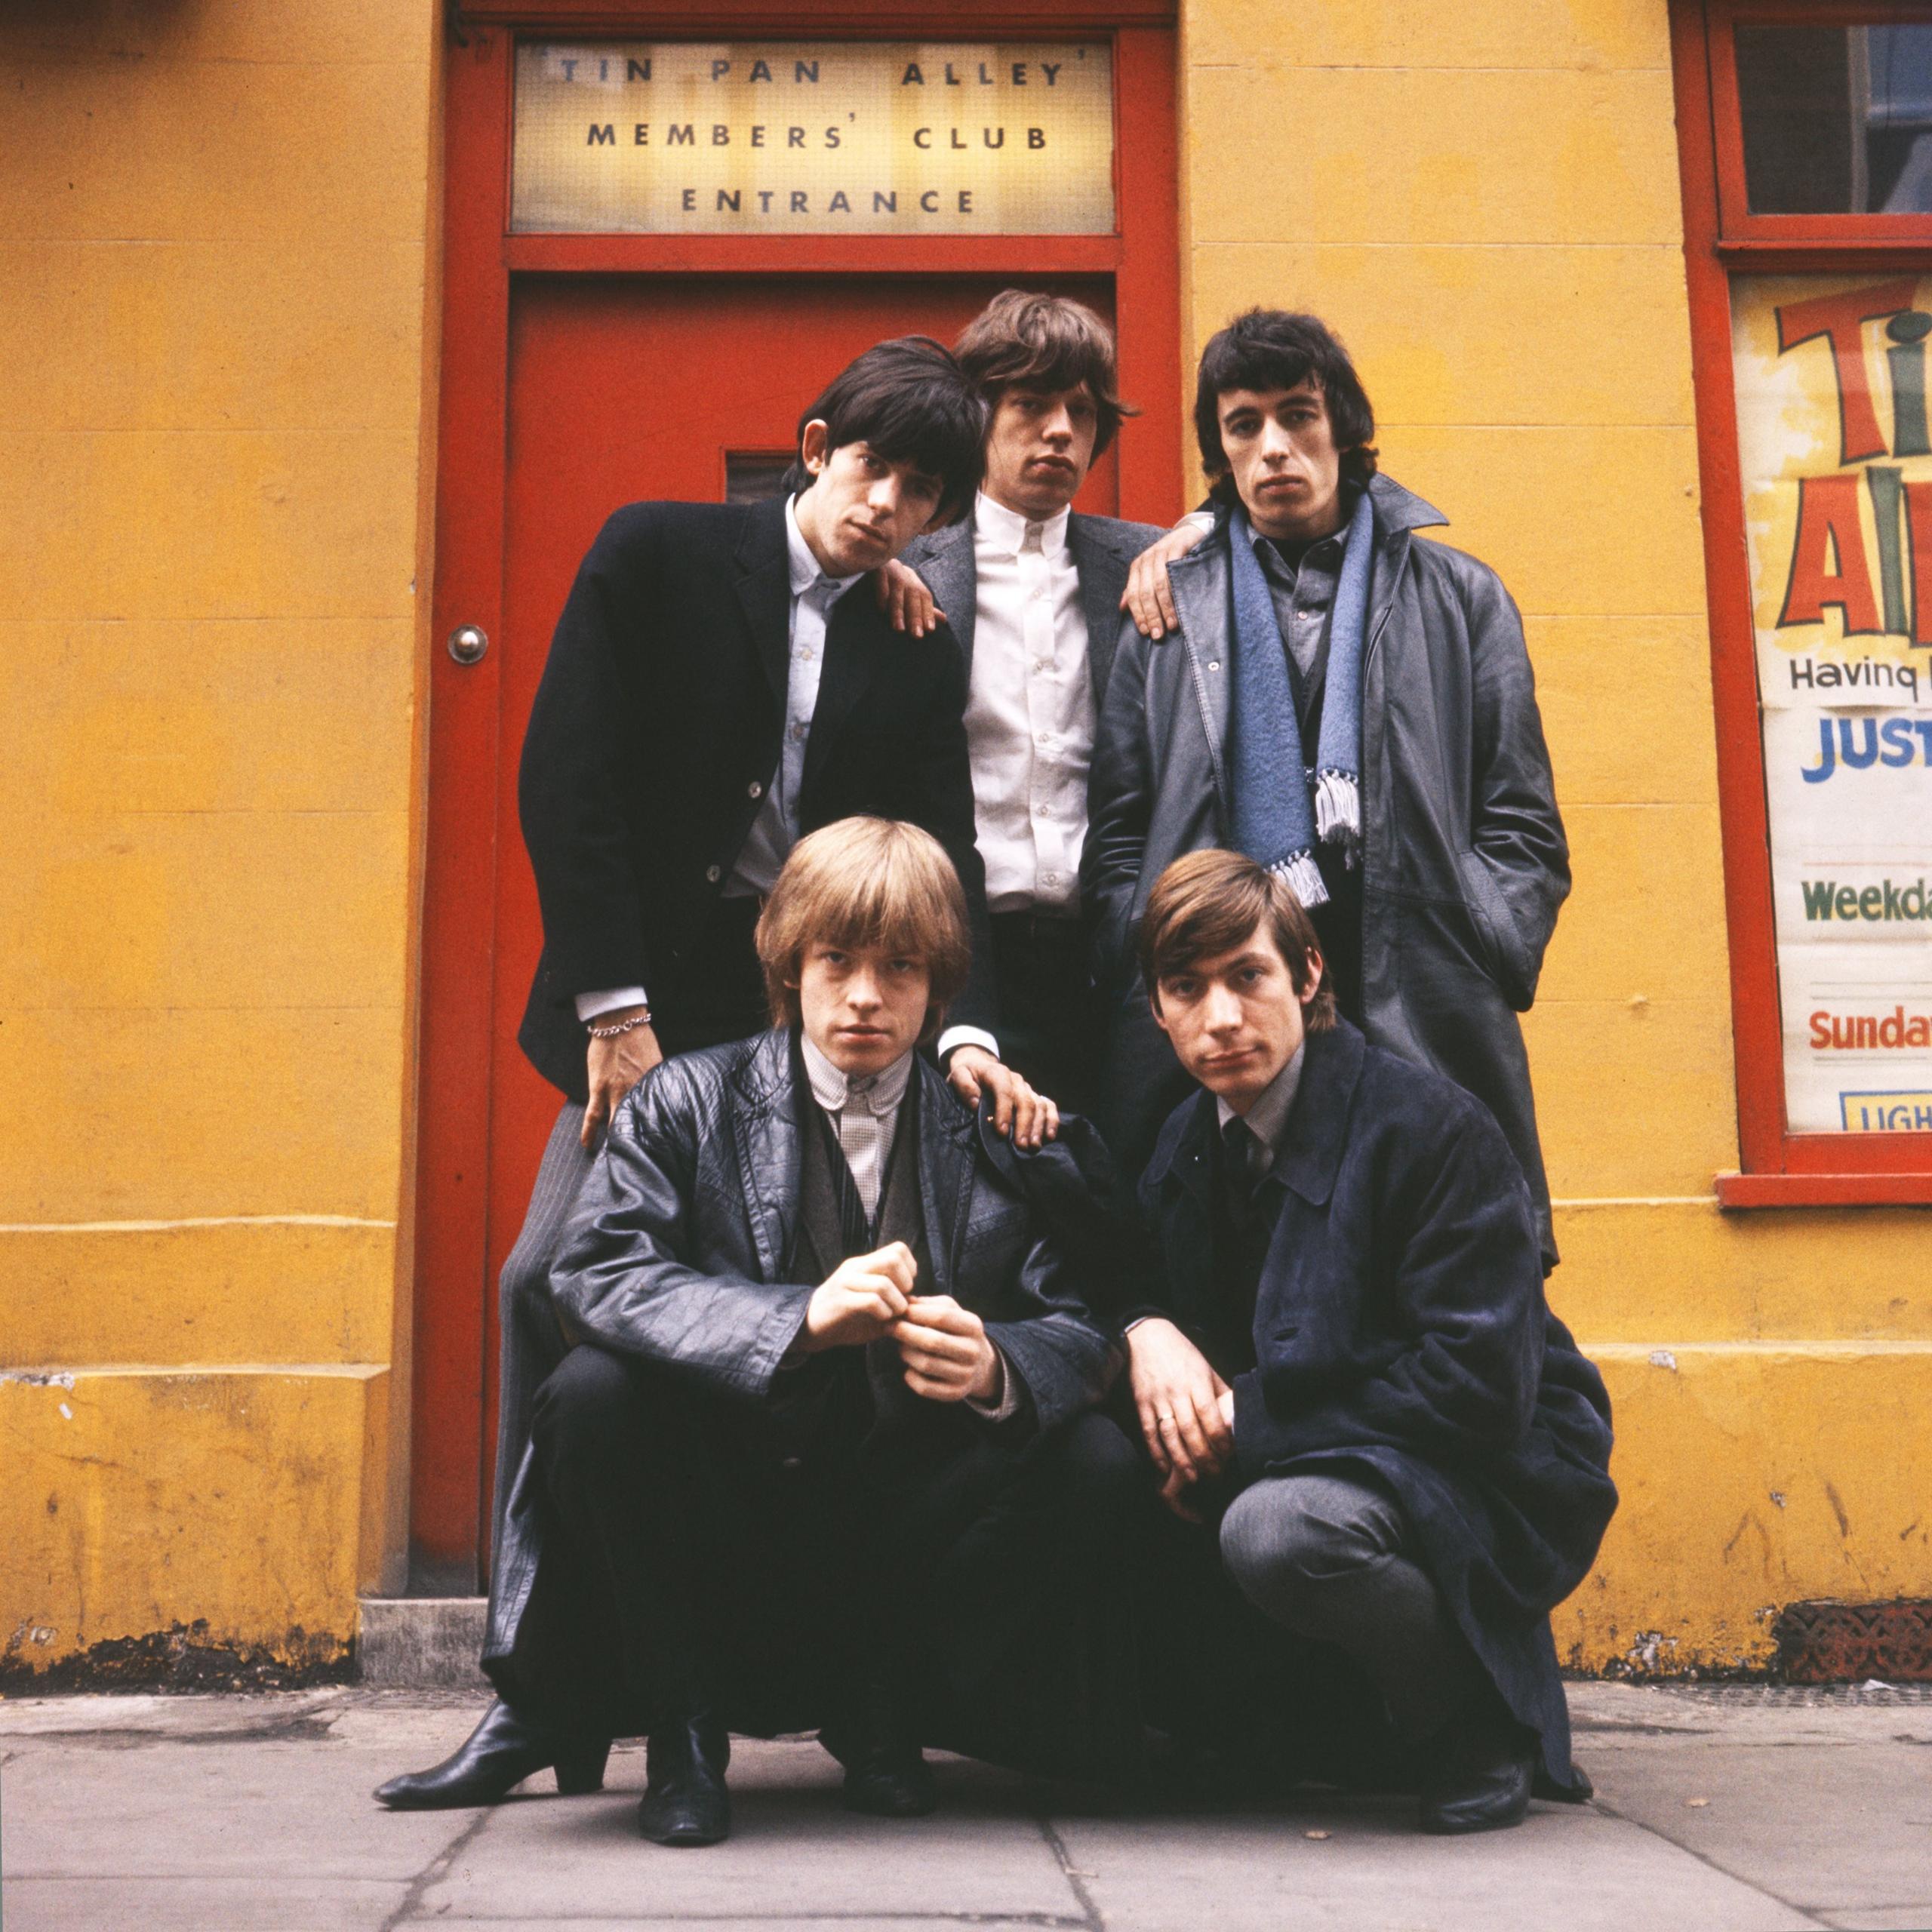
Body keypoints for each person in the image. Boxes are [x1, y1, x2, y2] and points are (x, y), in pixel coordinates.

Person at [380, 340, 1054, 1813]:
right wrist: (611, 1005)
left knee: (797, 1344)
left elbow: (936, 840)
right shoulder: (659, 551)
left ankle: (806, 1684)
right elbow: (570, 776)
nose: (890, 506)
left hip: (824, 1033)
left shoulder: (907, 630)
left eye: (923, 491)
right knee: (542, 1290)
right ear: (814, 445)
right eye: (872, 468)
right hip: (651, 1026)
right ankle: (536, 1692)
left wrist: (966, 1027)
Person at [383, 819, 1137, 1843]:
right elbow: (592, 1272)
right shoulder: (688, 1101)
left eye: (901, 967)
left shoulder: (986, 1123)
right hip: (726, 1503)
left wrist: (1000, 1365)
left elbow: (1081, 1326)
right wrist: (795, 1322)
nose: (866, 996)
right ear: (790, 963)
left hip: (901, 1517)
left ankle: (888, 1707)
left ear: (942, 987)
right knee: (591, 1396)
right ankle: (682, 1732)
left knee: (1089, 1454)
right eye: (838, 961)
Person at [1123, 848, 1615, 1832]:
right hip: (1332, 1441)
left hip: (1495, 1459)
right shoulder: (1186, 1144)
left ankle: (1472, 1721)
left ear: (1307, 978)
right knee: (1103, 1464)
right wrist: (1147, 1333)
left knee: (1281, 1532)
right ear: (1158, 1013)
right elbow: (1131, 1276)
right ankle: (1291, 1717)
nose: (1221, 1018)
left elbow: (1476, 1386)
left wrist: (1241, 1426)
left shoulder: (1429, 1128)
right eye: (1188, 988)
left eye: (1248, 977)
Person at [1084, 310, 1571, 1268]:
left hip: (1413, 993)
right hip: (1223, 1003)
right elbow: (1119, 825)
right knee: (1220, 1287)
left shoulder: (1459, 595)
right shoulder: (1168, 604)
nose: (1273, 448)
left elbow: (1520, 820)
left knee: (1438, 1268)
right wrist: (1139, 937)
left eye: (1297, 417)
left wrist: (1486, 931)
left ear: (1344, 428)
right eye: (1243, 425)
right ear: (1220, 453)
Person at [881, 291, 1164, 1119]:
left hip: (1111, 954)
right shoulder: (908, 569)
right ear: (978, 418)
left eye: (1079, 411)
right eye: (1031, 405)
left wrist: (1201, 528)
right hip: (960, 948)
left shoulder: (1147, 561)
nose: (1058, 432)